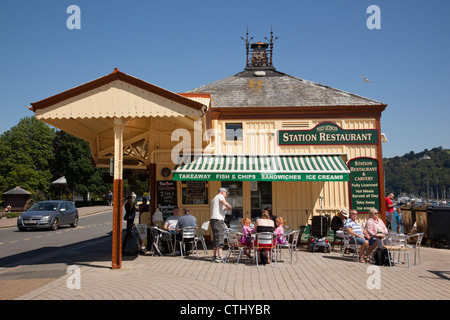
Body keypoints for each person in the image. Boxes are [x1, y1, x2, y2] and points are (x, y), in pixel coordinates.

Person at [210, 188, 232, 263]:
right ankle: (220, 256)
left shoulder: (214, 199)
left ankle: (214, 255)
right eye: (226, 194)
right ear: (223, 192)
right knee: (220, 236)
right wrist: (230, 206)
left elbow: (223, 209)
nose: (226, 196)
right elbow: (226, 204)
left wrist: (227, 209)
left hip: (213, 220)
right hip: (218, 220)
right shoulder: (220, 196)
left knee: (216, 237)